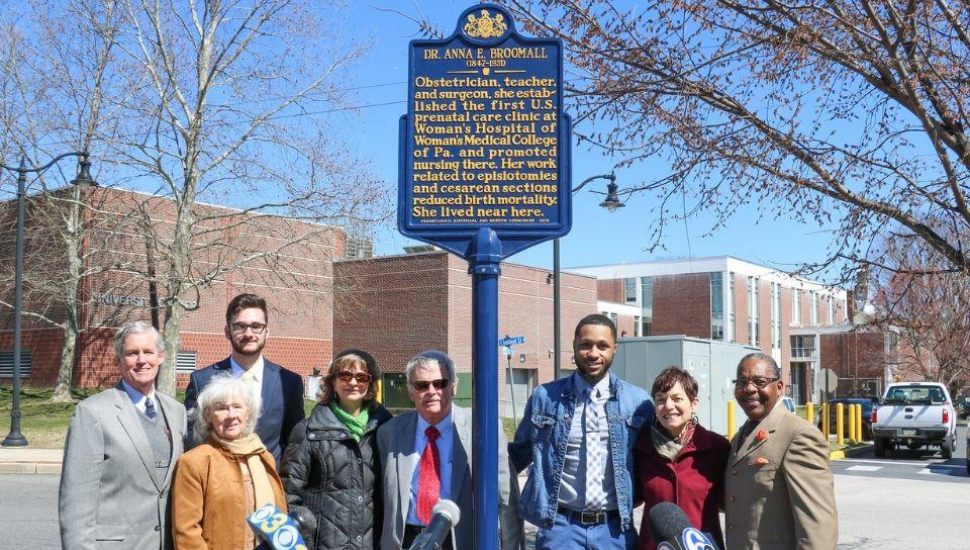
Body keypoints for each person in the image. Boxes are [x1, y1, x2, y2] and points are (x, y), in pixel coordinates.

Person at [510, 314, 654, 550]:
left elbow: (654, 462)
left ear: (614, 350)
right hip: (559, 530)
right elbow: (516, 456)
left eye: (602, 346)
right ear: (575, 347)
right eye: (586, 345)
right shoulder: (545, 398)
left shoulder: (637, 402)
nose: (594, 353)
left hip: (615, 531)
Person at [59, 321, 187, 550]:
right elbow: (76, 505)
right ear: (118, 360)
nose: (141, 360)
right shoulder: (93, 413)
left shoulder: (176, 412)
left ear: (161, 356)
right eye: (132, 353)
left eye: (148, 352)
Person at [377, 350, 523, 550]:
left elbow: (506, 499)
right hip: (406, 540)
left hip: (458, 540)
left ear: (454, 387)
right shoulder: (390, 432)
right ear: (411, 391)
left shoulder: (482, 429)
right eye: (421, 385)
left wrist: (511, 546)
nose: (431, 391)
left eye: (440, 383)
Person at [281, 349, 393, 549]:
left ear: (370, 383)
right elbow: (289, 493)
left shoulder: (387, 428)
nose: (353, 383)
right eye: (345, 375)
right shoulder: (308, 430)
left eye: (361, 377)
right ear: (333, 381)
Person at [724, 352, 838, 549]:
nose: (749, 388)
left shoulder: (799, 436)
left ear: (779, 388)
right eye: (742, 382)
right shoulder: (741, 437)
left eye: (759, 381)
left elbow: (818, 530)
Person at [184, 293, 304, 464]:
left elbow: (295, 444)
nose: (248, 333)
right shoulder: (202, 380)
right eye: (240, 326)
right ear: (227, 331)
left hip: (268, 485)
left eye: (256, 326)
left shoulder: (289, 383)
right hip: (218, 484)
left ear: (266, 332)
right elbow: (192, 440)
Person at [171, 375, 287, 550]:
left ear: (248, 413)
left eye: (237, 407)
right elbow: (186, 532)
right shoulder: (194, 462)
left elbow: (279, 515)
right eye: (222, 408)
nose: (231, 415)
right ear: (208, 416)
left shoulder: (263, 457)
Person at [633, 367, 730, 550]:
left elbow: (730, 502)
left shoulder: (717, 448)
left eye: (677, 399)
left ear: (694, 403)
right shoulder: (642, 448)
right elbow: (632, 498)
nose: (668, 406)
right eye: (661, 400)